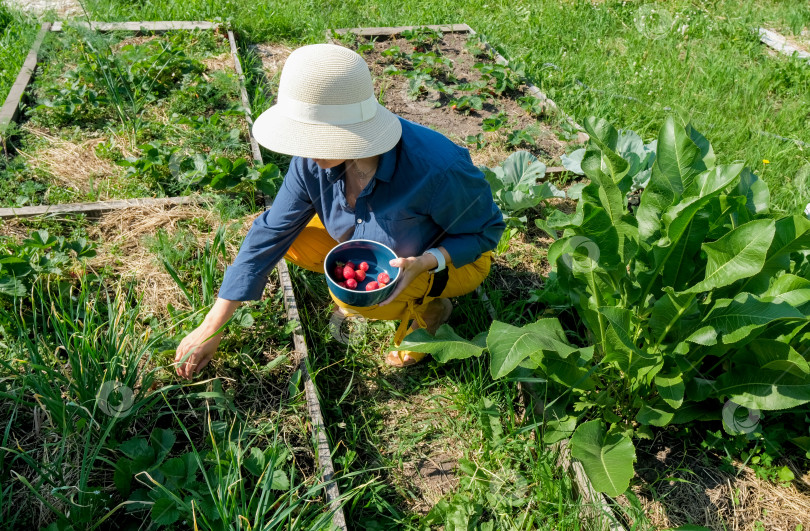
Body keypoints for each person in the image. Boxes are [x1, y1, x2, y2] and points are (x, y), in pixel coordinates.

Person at [174, 43, 504, 378]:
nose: (306, 150)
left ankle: (431, 311)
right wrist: (212, 324)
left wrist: (426, 262)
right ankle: (390, 291)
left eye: (317, 137)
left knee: (353, 298)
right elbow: (271, 232)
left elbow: (487, 230)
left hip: (453, 259)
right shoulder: (310, 160)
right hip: (384, 247)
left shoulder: (437, 168)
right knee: (294, 240)